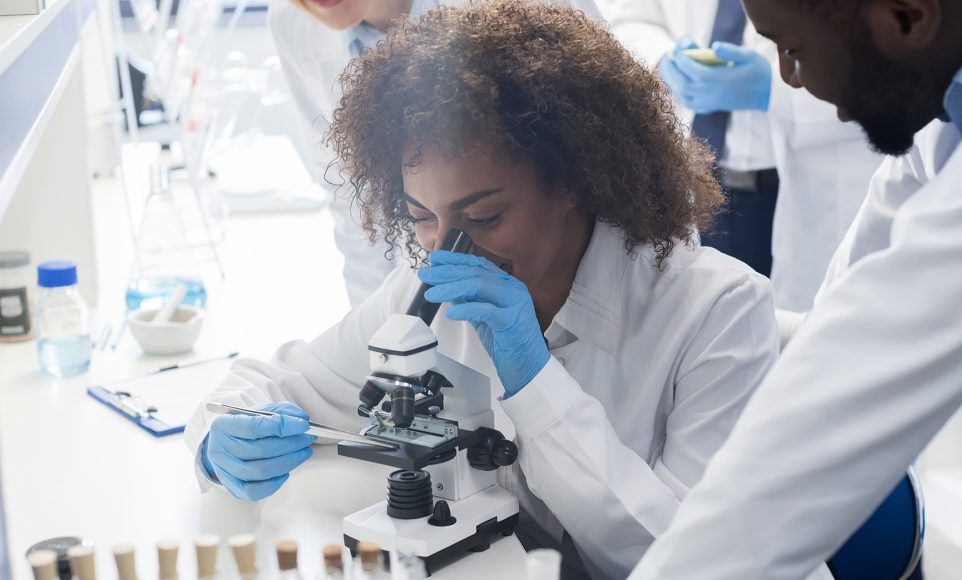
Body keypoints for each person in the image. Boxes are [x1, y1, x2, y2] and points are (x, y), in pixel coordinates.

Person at [186, 2, 781, 577]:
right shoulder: (427, 293)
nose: (448, 249)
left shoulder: (720, 311)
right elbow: (269, 382)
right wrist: (220, 442)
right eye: (421, 216)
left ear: (574, 181)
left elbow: (681, 558)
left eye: (486, 217)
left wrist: (535, 381)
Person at [629, 0, 962, 577]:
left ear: (908, 18)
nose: (792, 80)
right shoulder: (947, 103)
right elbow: (846, 311)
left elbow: (856, 379)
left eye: (792, 50)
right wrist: (730, 330)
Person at [268, 0, 601, 306]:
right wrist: (379, 327)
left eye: (485, 215)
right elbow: (352, 207)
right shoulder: (292, 25)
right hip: (423, 286)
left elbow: (603, 152)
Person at [603, 0, 884, 311]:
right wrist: (661, 59)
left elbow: (888, 72)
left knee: (795, 323)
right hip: (694, 185)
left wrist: (774, 90)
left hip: (804, 191)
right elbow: (628, 13)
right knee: (699, 317)